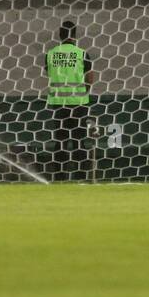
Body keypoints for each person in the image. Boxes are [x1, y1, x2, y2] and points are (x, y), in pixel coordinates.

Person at [44, 21, 95, 180]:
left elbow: (48, 72)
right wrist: (83, 90)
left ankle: (60, 176)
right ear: (75, 35)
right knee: (79, 139)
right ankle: (81, 175)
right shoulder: (82, 53)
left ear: (60, 35)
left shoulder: (51, 53)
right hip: (79, 103)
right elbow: (90, 77)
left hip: (59, 103)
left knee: (61, 140)